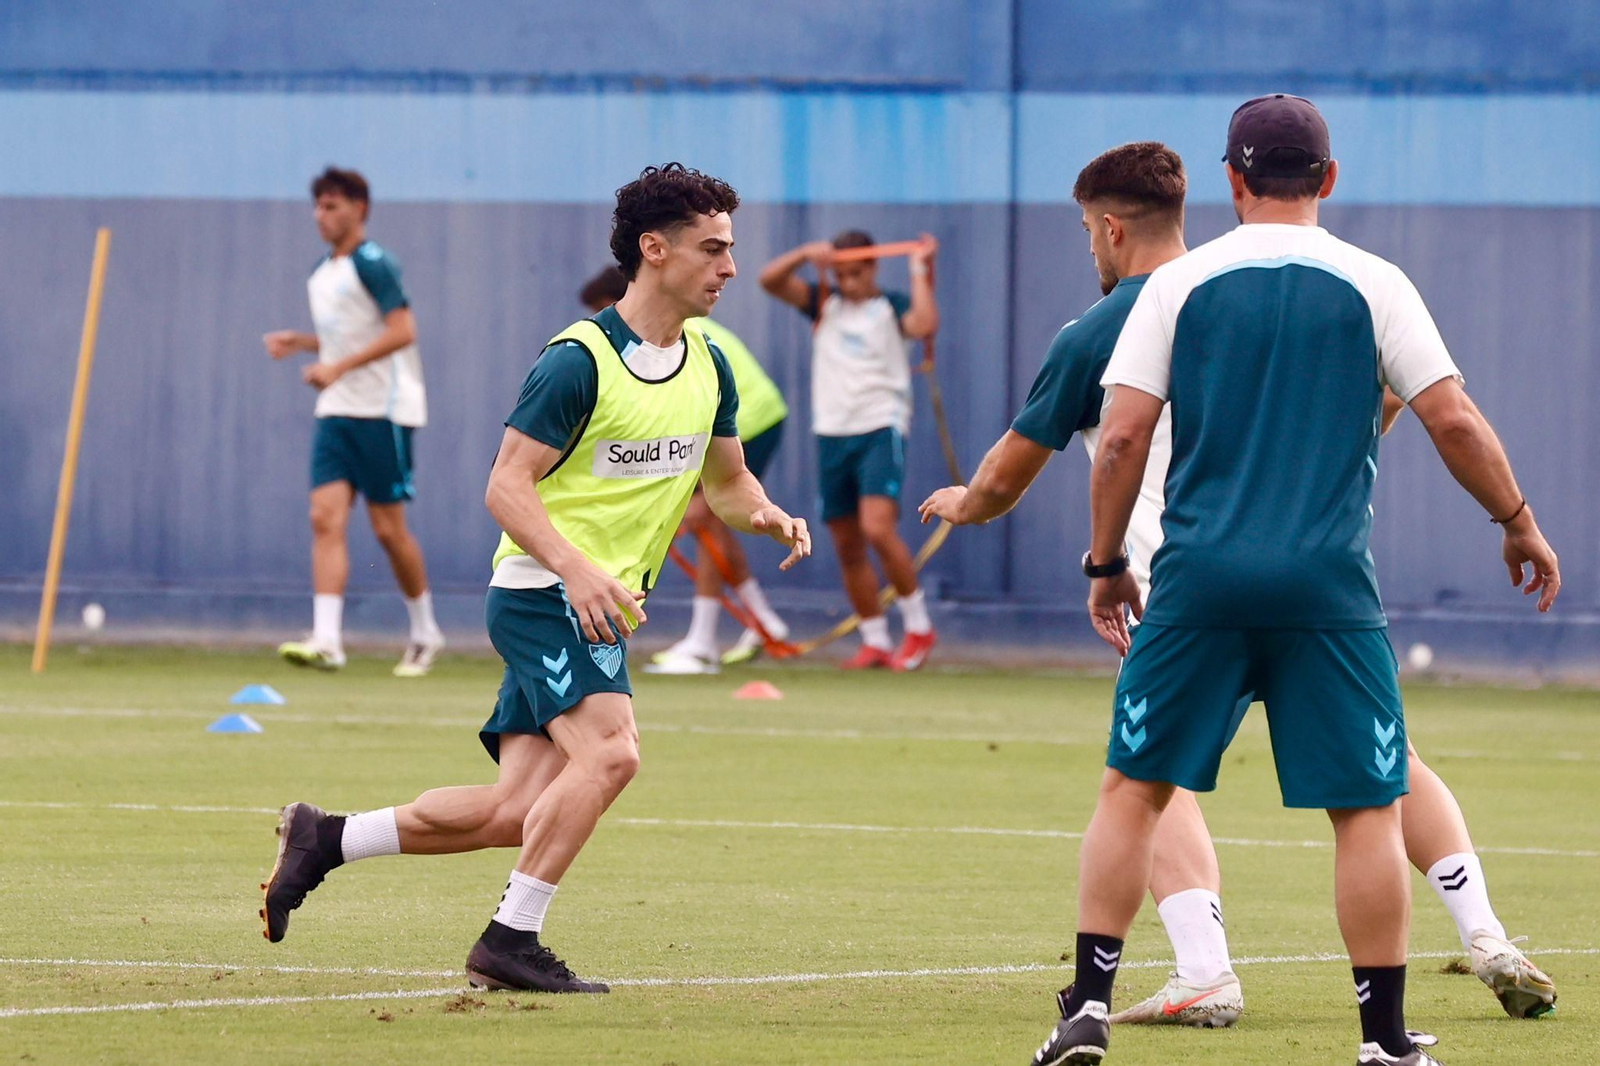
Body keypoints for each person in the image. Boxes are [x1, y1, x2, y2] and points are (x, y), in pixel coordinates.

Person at [921, 137, 1559, 1040]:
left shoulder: (1141, 311)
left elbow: (1092, 449)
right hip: (1323, 582)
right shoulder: (1359, 285)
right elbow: (1424, 413)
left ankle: (1178, 974)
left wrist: (1051, 542)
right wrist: (1516, 518)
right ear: (1329, 177)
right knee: (1381, 783)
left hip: (1181, 583)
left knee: (1143, 783)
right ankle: (1469, 947)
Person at [259, 164, 811, 993]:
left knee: (515, 811)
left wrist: (767, 513)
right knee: (614, 753)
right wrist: (578, 569)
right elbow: (505, 486)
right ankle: (511, 938)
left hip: (596, 604)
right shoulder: (578, 360)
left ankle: (327, 837)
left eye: (731, 249)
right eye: (714, 249)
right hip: (546, 595)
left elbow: (727, 485)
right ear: (654, 251)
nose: (730, 267)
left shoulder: (708, 365)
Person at [264, 166, 444, 677]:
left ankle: (425, 631)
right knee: (324, 517)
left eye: (334, 205)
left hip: (383, 411)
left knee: (388, 530)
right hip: (337, 411)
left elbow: (403, 331)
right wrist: (301, 343)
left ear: (359, 209)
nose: (323, 215)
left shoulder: (374, 263)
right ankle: (327, 639)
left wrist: (336, 368)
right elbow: (347, 338)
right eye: (318, 206)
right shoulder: (321, 274)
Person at [577, 265, 792, 671]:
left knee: (705, 519)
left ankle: (703, 641)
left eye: (602, 308)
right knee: (708, 522)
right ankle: (763, 620)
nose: (598, 321)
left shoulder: (662, 336)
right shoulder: (645, 336)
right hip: (739, 417)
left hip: (750, 419)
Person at [760, 231, 940, 670]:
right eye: (840, 273)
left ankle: (918, 627)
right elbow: (769, 280)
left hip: (880, 426)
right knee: (846, 542)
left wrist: (919, 266)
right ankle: (875, 638)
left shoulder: (891, 306)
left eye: (856, 273)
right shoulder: (825, 303)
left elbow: (924, 325)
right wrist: (805, 252)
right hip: (832, 432)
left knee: (878, 528)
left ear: (873, 267)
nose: (849, 281)